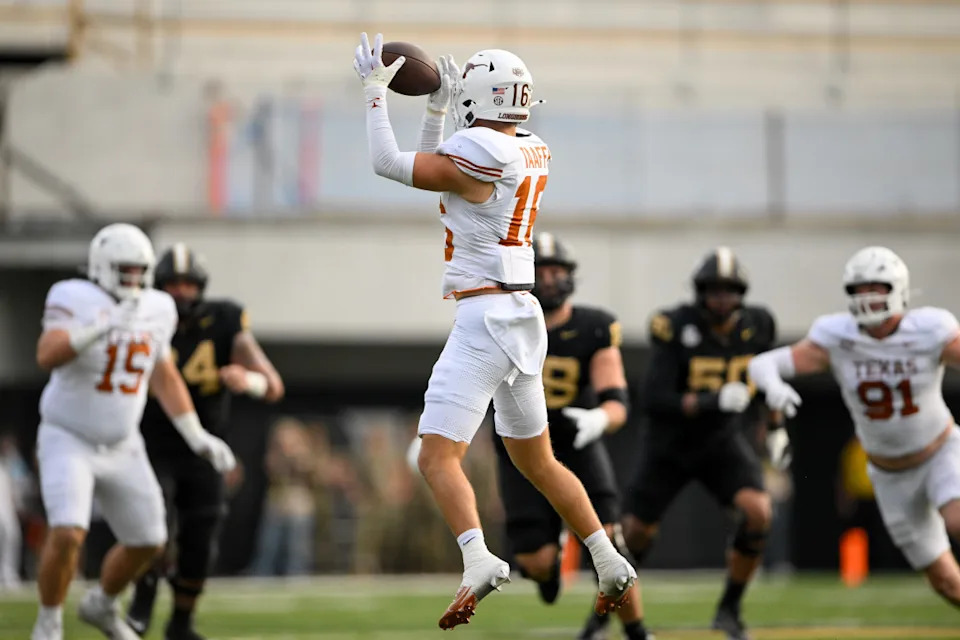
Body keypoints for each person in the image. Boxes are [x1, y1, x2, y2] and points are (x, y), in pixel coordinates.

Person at [353, 32, 635, 629]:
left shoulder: (480, 150)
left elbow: (389, 164)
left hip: (484, 319)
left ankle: (478, 558)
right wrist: (435, 112)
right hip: (523, 314)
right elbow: (437, 176)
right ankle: (607, 557)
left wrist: (376, 94)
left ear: (480, 97)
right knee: (539, 461)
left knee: (436, 457)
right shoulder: (529, 147)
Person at [30, 223, 235, 640]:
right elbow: (47, 355)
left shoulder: (157, 307)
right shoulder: (72, 296)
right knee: (68, 531)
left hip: (123, 442)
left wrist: (196, 435)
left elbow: (163, 373)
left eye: (140, 271)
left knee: (150, 540)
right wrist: (96, 329)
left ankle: (102, 604)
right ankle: (48, 623)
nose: (134, 280)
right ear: (101, 267)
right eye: (125, 270)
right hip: (69, 435)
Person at [749, 245, 960, 607]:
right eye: (859, 288)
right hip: (888, 473)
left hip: (940, 452)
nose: (866, 296)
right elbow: (761, 365)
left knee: (956, 519)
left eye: (875, 287)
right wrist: (774, 386)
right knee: (946, 583)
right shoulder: (838, 336)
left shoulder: (929, 329)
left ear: (898, 288)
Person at [491, 232, 651, 640]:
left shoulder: (593, 327)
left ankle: (638, 632)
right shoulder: (499, 321)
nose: (548, 279)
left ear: (569, 276)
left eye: (556, 271)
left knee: (611, 542)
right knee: (536, 562)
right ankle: (554, 553)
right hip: (520, 443)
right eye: (540, 271)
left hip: (575, 439)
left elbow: (617, 401)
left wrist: (599, 418)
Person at [126, 243, 284, 640]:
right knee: (152, 530)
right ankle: (144, 593)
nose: (181, 292)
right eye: (173, 283)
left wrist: (247, 380)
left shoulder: (225, 319)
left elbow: (273, 385)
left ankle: (181, 622)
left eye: (188, 283)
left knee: (200, 541)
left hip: (205, 450)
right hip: (150, 445)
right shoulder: (141, 317)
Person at [622, 248, 780, 640]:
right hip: (669, 446)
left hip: (720, 443)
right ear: (699, 292)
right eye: (713, 290)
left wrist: (776, 427)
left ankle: (730, 609)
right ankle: (603, 615)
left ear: (741, 294)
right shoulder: (675, 326)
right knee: (634, 534)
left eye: (729, 290)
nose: (721, 299)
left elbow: (770, 378)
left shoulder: (758, 325)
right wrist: (711, 400)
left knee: (758, 512)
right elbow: (654, 398)